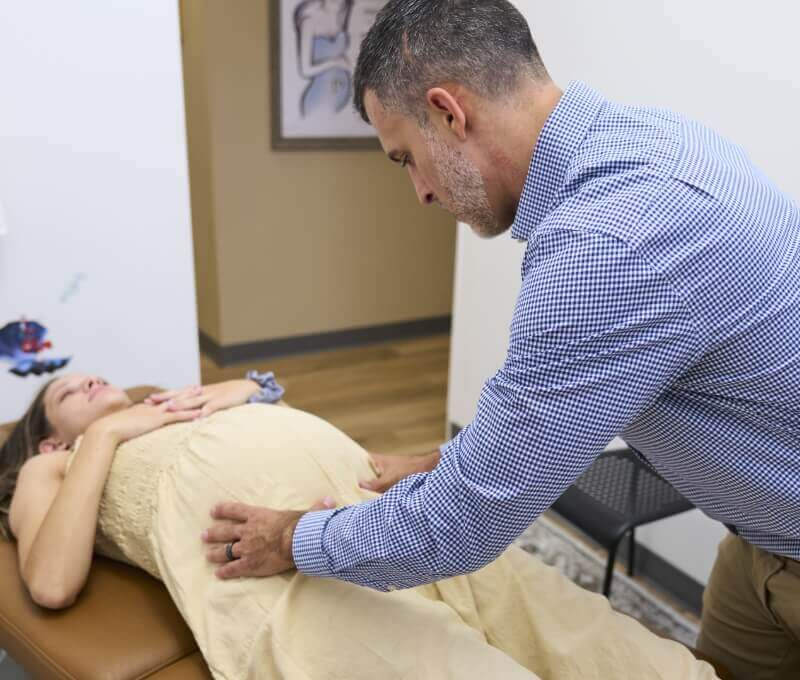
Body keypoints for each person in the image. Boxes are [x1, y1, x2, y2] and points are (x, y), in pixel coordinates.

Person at [204, 2, 800, 678]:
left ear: (449, 113)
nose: (420, 193)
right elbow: (574, 393)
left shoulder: (606, 248)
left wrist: (290, 537)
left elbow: (461, 526)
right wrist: (465, 457)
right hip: (759, 540)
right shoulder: (652, 141)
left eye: (406, 157)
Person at [0, 373, 718, 679]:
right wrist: (105, 437)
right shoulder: (56, 468)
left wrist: (247, 389)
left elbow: (269, 406)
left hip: (386, 516)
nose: (93, 382)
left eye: (97, 378)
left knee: (572, 624)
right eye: (70, 390)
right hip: (280, 572)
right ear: (48, 437)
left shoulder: (173, 402)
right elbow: (53, 582)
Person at [294, 0, 354, 118]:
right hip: (319, 100)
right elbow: (305, 70)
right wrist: (335, 63)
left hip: (343, 102)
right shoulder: (309, 22)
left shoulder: (342, 15)